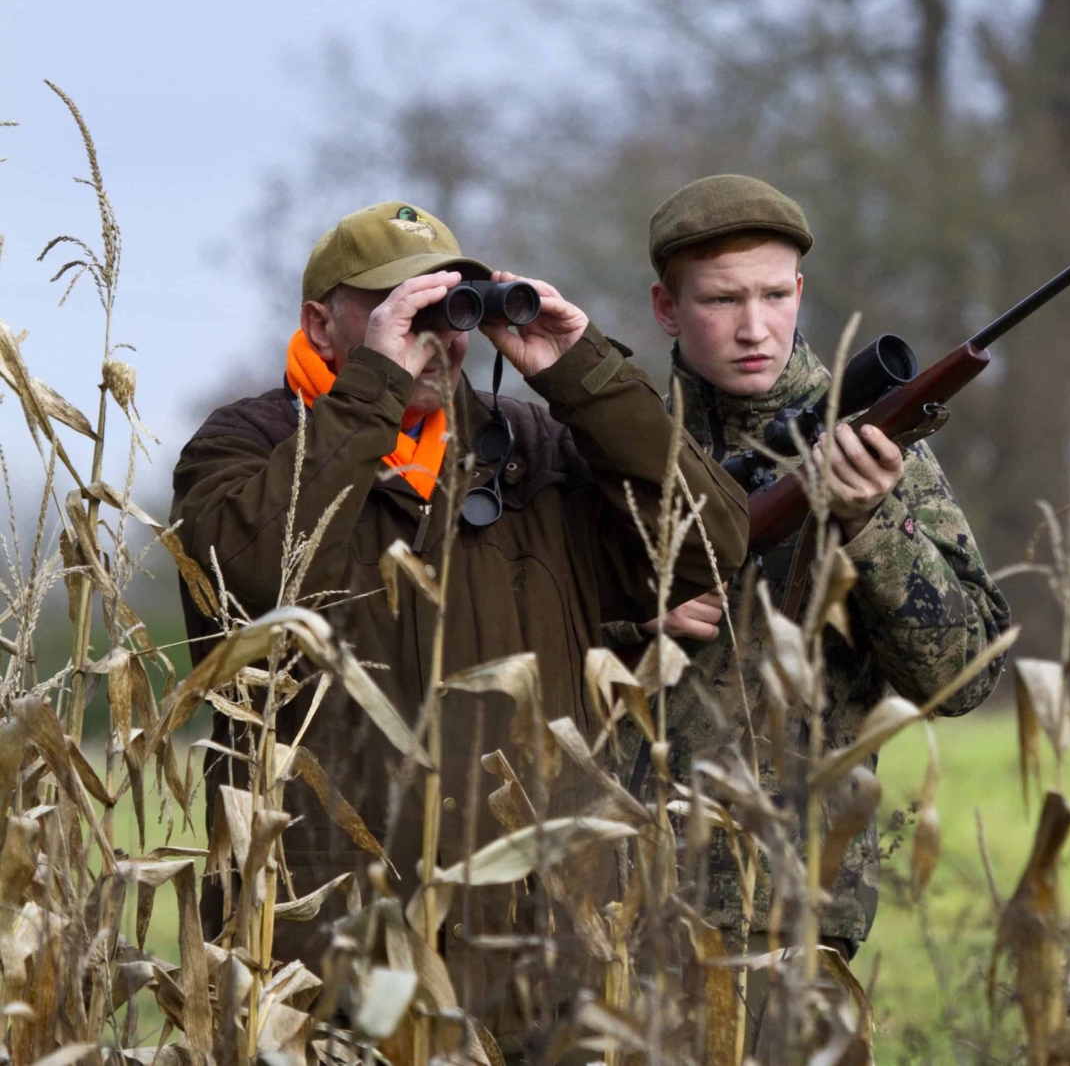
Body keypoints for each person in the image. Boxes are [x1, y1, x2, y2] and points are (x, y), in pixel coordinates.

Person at [171, 199, 748, 1023]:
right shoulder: (249, 446)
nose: (435, 330)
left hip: (539, 952)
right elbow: (255, 580)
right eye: (399, 305)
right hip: (326, 960)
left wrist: (583, 373)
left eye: (452, 307)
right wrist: (373, 390)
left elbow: (712, 541)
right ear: (321, 321)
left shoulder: (537, 447)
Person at [605, 173, 1010, 970]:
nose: (755, 328)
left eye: (773, 295)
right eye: (722, 301)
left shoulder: (882, 453)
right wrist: (630, 613)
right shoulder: (618, 447)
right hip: (611, 894)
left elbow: (965, 679)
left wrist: (869, 524)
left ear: (801, 291)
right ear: (665, 309)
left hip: (787, 913)